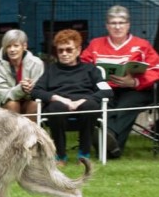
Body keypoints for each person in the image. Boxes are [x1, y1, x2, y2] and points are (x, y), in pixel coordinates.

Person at [81, 5, 159, 158]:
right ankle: (112, 150)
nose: (117, 27)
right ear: (107, 25)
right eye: (113, 23)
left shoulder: (142, 45)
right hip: (106, 89)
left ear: (128, 25)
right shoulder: (95, 44)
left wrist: (134, 82)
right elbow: (83, 66)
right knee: (101, 104)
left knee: (125, 106)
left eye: (121, 23)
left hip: (136, 89)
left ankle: (107, 134)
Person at [31, 29, 113, 167]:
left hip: (84, 103)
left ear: (78, 50)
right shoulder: (51, 70)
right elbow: (36, 91)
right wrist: (57, 98)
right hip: (59, 104)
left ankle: (84, 155)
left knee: (90, 106)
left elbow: (107, 91)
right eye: (60, 50)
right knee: (56, 108)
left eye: (69, 50)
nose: (64, 54)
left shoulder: (91, 70)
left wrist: (84, 100)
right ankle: (60, 155)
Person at [0, 29, 43, 121]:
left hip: (28, 100)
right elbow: (4, 96)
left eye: (16, 46)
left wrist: (31, 88)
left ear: (24, 46)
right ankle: (13, 135)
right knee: (13, 104)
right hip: (0, 102)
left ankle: (30, 134)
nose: (12, 50)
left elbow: (39, 90)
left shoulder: (37, 63)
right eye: (8, 46)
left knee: (35, 105)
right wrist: (21, 88)